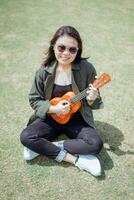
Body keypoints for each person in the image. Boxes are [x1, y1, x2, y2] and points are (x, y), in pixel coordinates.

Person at [20, 26, 104, 177]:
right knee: (26, 137)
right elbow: (34, 99)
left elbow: (95, 101)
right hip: (51, 117)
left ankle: (45, 147)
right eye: (61, 47)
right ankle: (76, 161)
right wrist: (54, 109)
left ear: (78, 51)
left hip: (77, 118)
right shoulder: (43, 71)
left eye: (72, 50)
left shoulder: (87, 69)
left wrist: (92, 98)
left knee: (96, 144)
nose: (66, 53)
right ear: (53, 46)